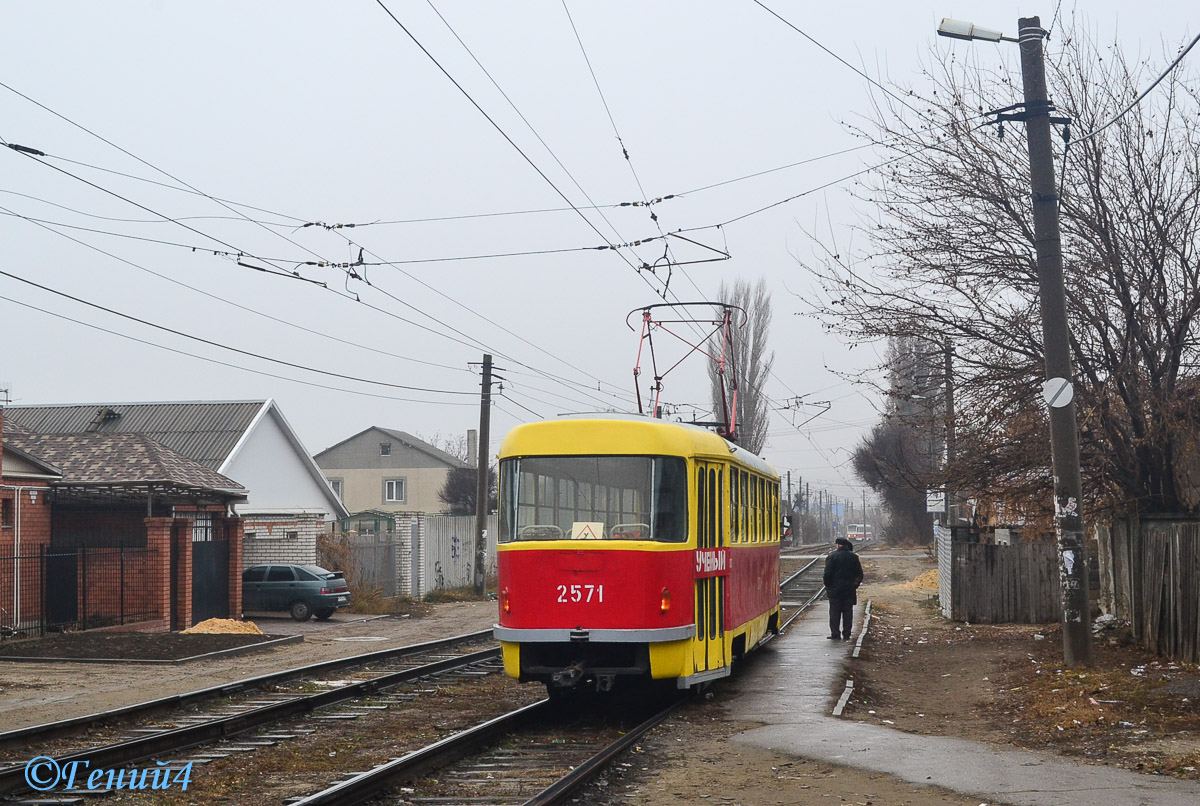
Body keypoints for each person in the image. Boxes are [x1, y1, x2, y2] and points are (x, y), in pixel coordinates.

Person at [823, 537, 864, 640]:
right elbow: (859, 574)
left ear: (838, 545)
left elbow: (827, 574)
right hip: (849, 590)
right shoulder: (854, 557)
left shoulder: (831, 557)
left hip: (834, 591)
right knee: (847, 612)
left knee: (834, 612)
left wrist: (828, 585)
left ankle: (835, 634)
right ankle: (847, 634)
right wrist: (854, 585)